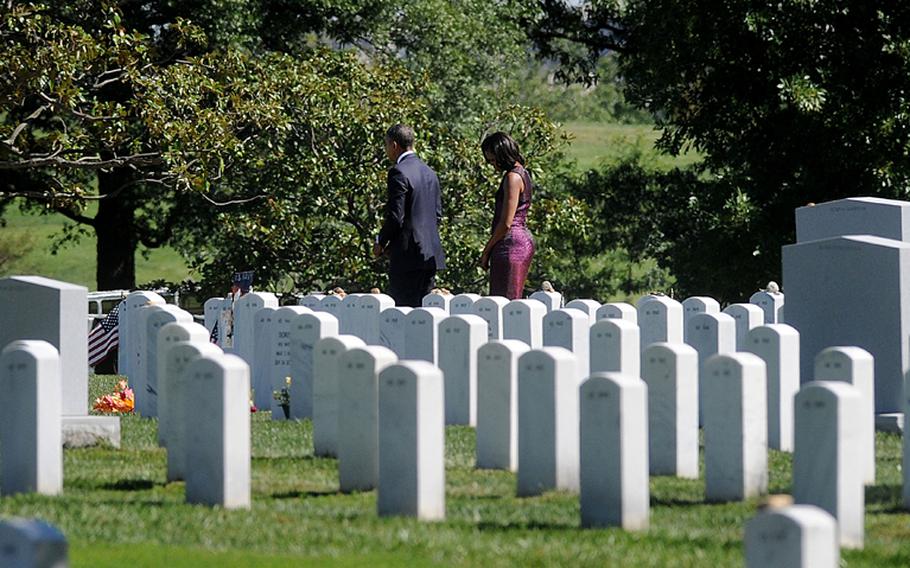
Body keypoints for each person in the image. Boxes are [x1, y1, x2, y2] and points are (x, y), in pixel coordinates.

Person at [374, 124, 446, 307]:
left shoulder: (398, 172)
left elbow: (396, 217)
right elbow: (437, 215)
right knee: (424, 314)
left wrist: (381, 241)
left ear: (394, 145)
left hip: (407, 256)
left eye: (386, 145)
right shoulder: (430, 172)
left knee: (404, 314)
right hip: (429, 254)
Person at [479, 132, 535, 300]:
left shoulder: (512, 177)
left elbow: (506, 222)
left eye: (493, 160)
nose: (492, 165)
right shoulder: (522, 172)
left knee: (505, 302)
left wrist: (486, 250)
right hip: (515, 241)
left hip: (511, 244)